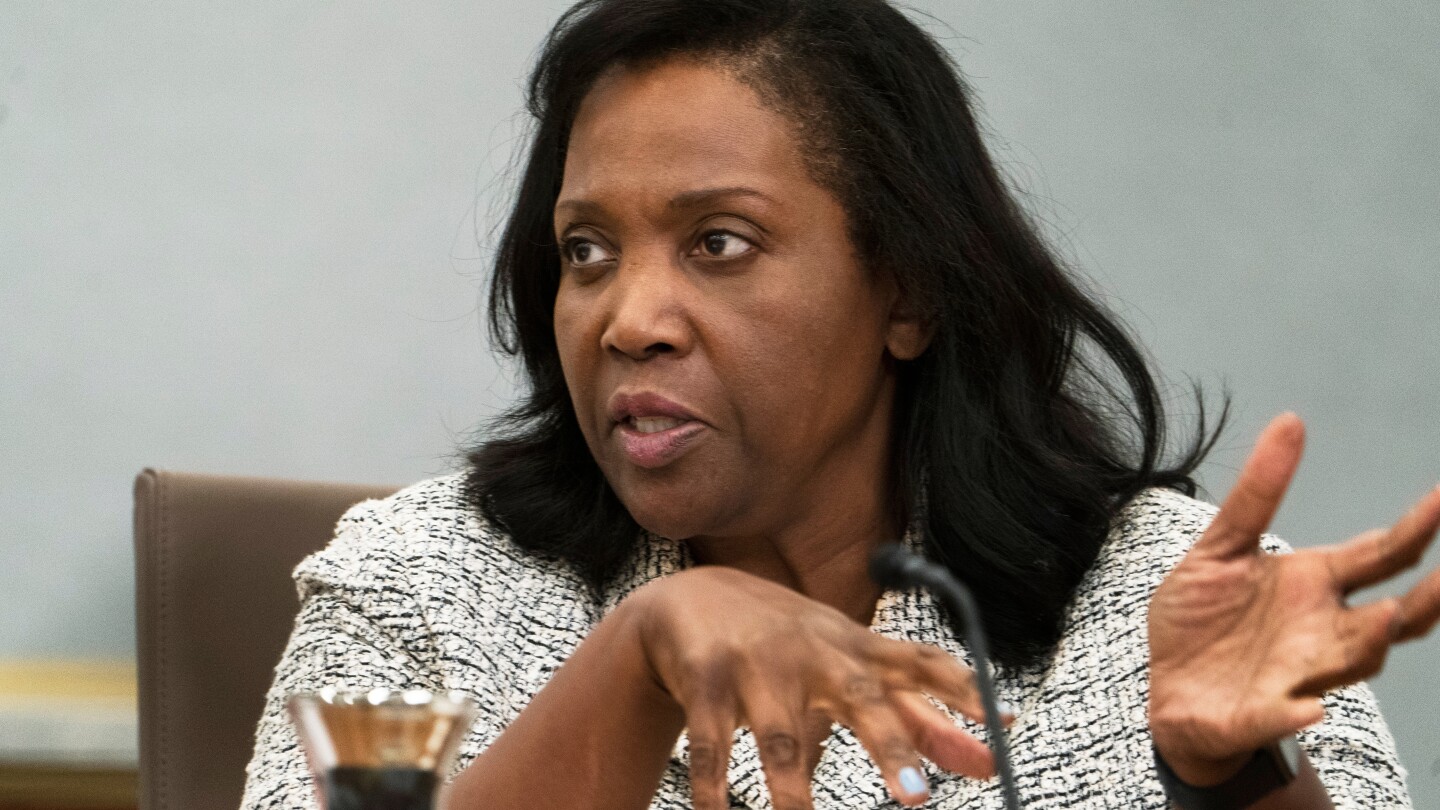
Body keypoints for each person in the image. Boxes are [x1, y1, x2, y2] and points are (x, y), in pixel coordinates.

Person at [242, 0, 1440, 807]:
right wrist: (636, 657)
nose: (628, 318)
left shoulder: (1167, 599)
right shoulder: (422, 588)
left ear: (905, 288)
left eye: (718, 242)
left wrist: (1236, 782)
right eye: (587, 251)